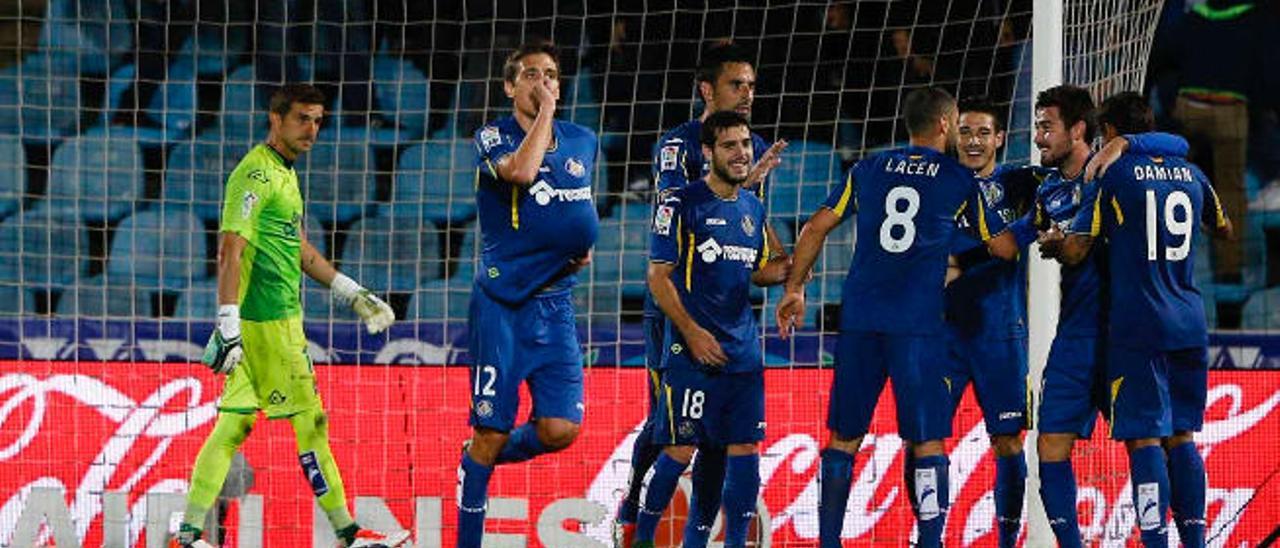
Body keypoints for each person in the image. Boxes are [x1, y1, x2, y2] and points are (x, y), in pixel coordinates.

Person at [776, 87, 1015, 548]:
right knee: (927, 441)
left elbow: (816, 226)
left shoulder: (868, 167)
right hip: (919, 326)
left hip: (862, 318)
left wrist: (794, 289)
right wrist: (1034, 226)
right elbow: (1001, 246)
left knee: (843, 436)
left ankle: (828, 541)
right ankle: (929, 541)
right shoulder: (959, 179)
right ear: (945, 124)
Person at [171, 84, 404, 548]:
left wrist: (349, 291)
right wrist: (229, 321)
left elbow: (296, 247)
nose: (312, 129)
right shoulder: (255, 175)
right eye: (302, 118)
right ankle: (348, 534)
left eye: (318, 120)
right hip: (269, 325)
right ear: (275, 119)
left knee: (233, 424)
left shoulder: (284, 173)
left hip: (270, 322)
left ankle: (187, 535)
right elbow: (229, 249)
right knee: (311, 424)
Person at [615, 41, 786, 548]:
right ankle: (633, 507)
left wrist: (795, 273)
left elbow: (748, 234)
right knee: (672, 429)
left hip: (731, 320)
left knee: (717, 443)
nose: (749, 94)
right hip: (673, 309)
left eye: (753, 85)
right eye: (738, 84)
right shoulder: (679, 145)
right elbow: (675, 212)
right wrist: (746, 181)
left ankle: (698, 539)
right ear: (708, 90)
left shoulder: (747, 150)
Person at [1008, 85, 1188, 547]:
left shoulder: (1115, 171)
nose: (1040, 137)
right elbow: (1008, 242)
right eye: (1038, 128)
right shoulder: (1048, 189)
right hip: (1076, 334)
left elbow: (1177, 145)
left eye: (1047, 127)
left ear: (1080, 129)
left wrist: (1126, 142)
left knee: (1147, 442)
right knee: (1050, 443)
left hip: (1129, 331)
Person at [1056, 92, 1231, 548]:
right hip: (1190, 318)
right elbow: (1225, 227)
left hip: (1138, 323)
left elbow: (1076, 249)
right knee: (1182, 435)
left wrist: (1055, 242)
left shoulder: (1112, 173)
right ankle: (1195, 541)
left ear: (1110, 133)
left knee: (1144, 438)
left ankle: (1154, 540)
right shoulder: (1191, 174)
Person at [454, 40, 598, 548]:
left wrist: (582, 243)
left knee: (561, 429)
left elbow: (575, 206)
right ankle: (471, 512)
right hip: (504, 307)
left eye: (552, 75)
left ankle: (474, 459)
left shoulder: (583, 141)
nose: (544, 82)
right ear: (511, 86)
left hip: (556, 305)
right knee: (492, 430)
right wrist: (546, 117)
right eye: (532, 75)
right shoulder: (492, 135)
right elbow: (521, 173)